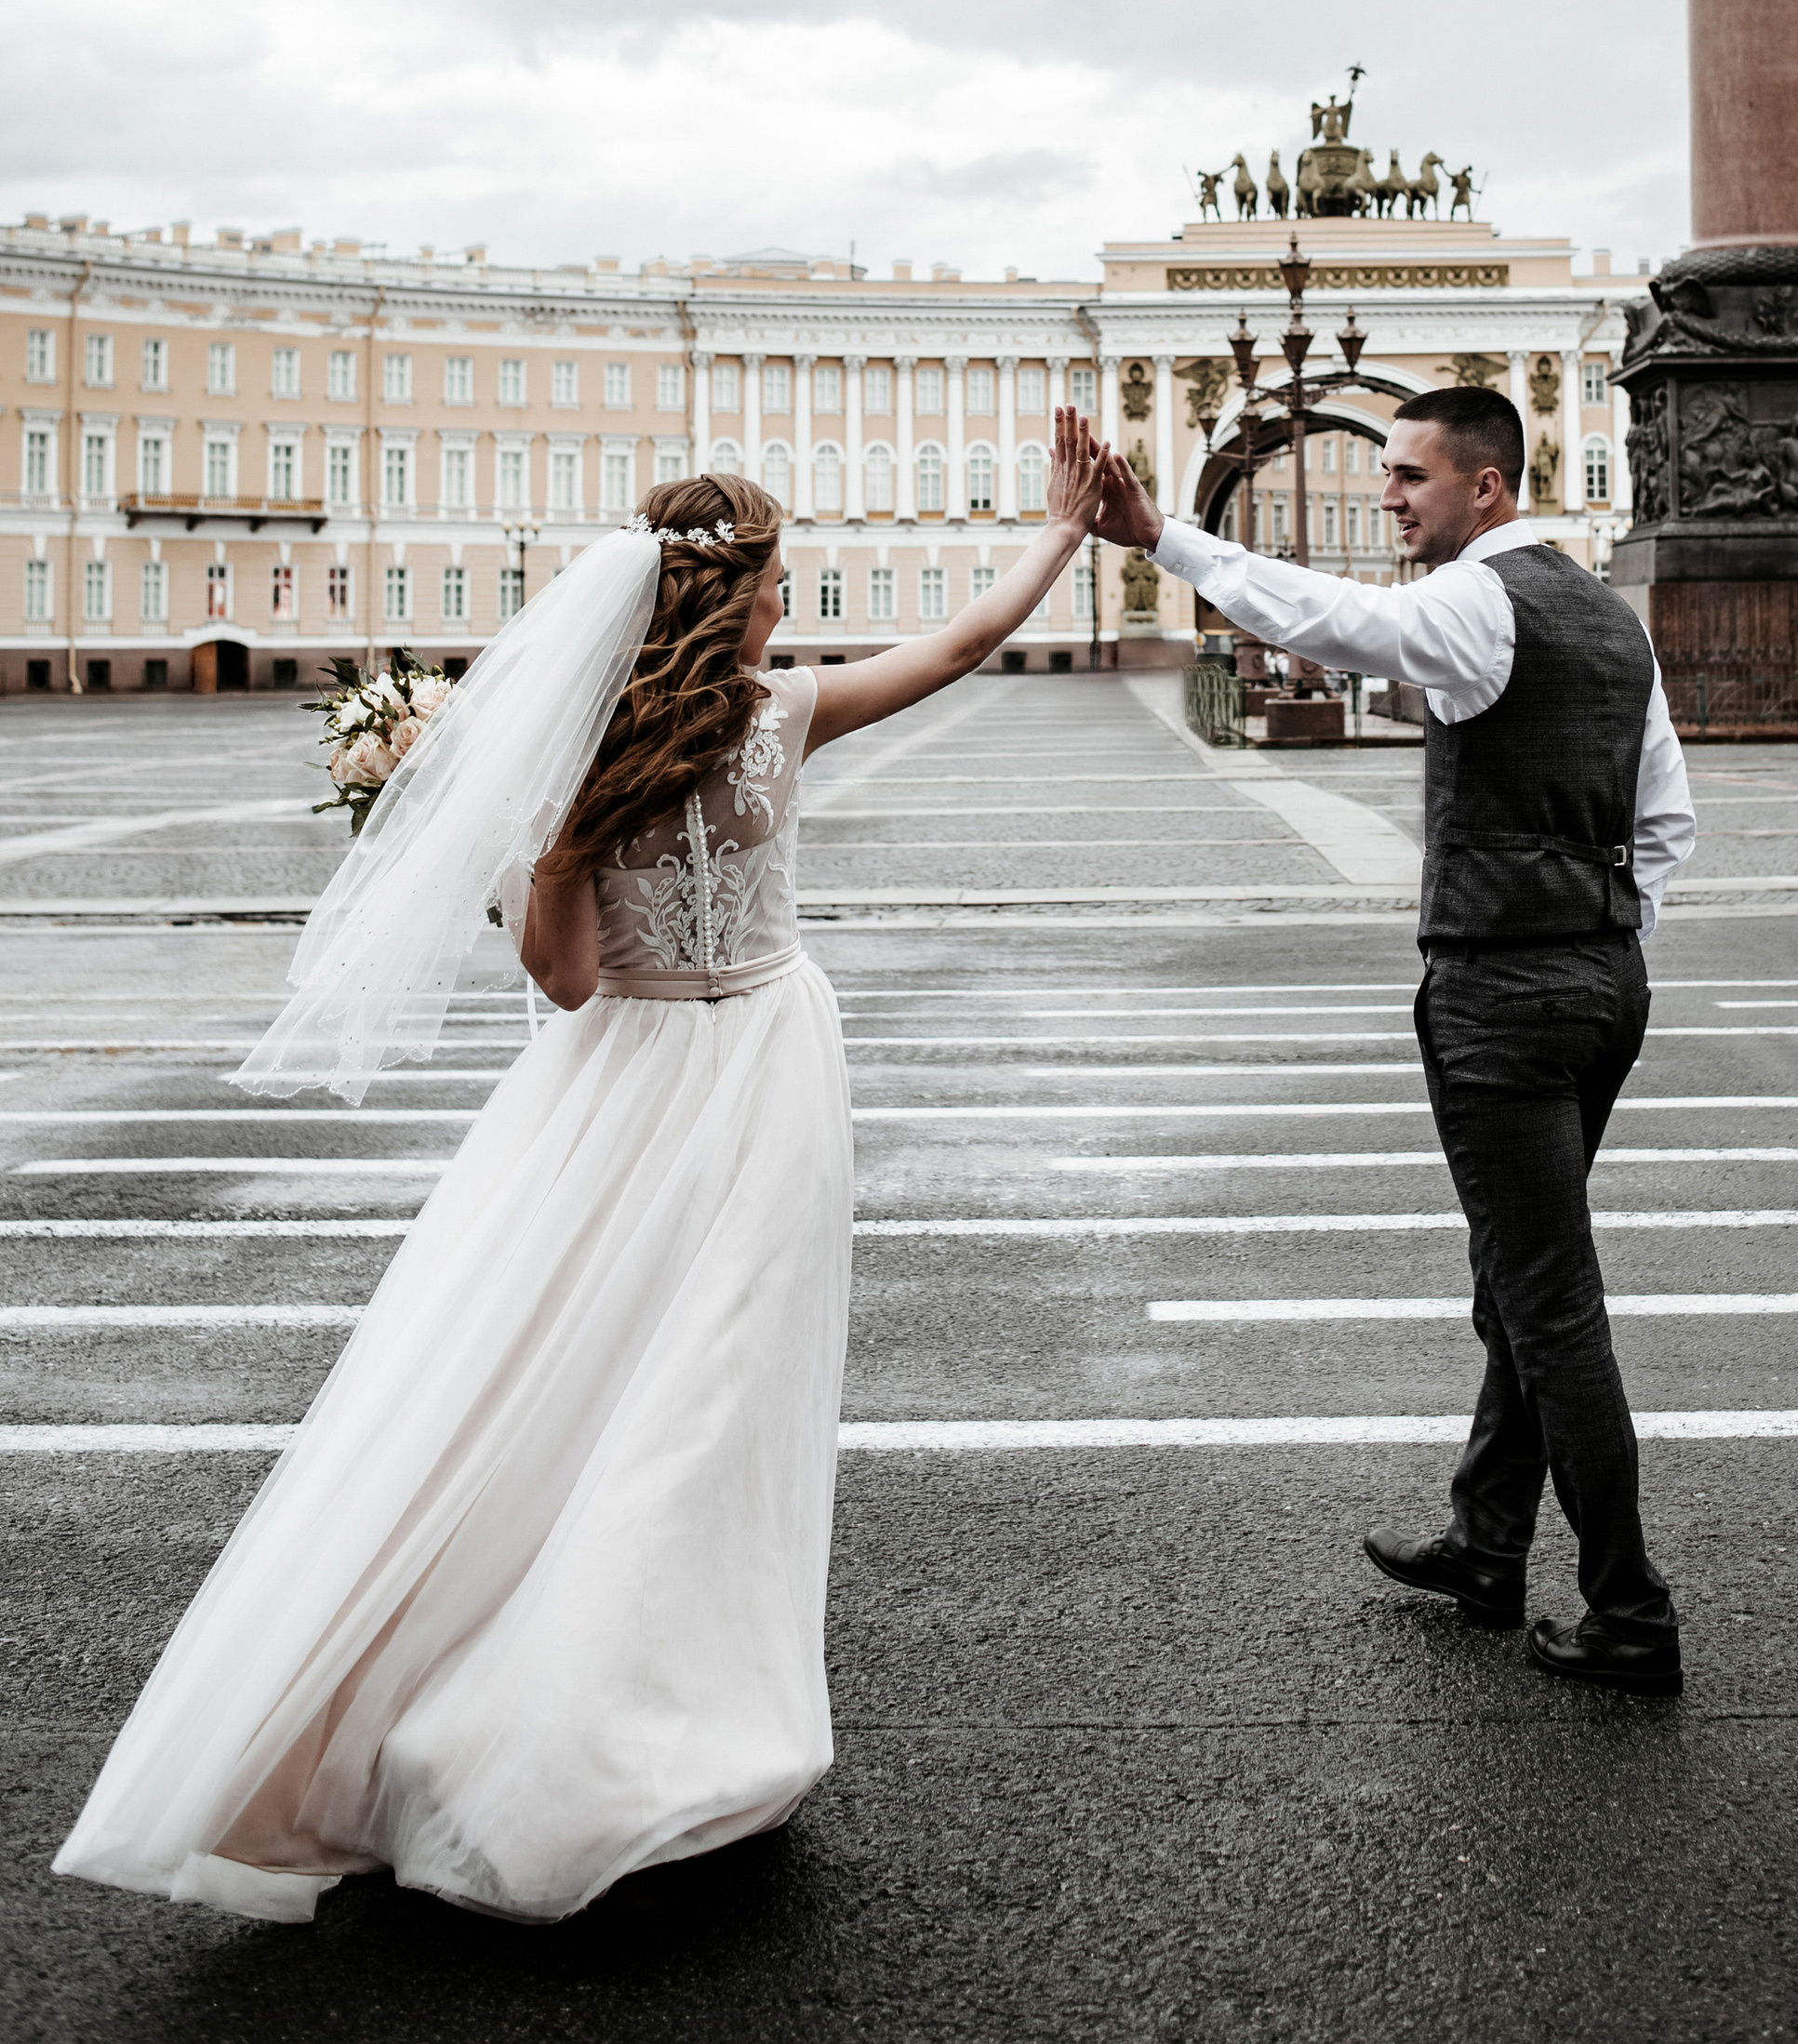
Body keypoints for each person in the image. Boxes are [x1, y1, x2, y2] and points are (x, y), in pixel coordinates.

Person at [56, 416, 1107, 1923]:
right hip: (762, 1064)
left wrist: (544, 842)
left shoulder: (589, 754)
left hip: (616, 1084)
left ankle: (568, 1715)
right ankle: (622, 1742)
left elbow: (561, 983)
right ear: (728, 596)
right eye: (777, 577)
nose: (790, 598)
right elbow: (959, 644)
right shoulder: (779, 715)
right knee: (710, 1401)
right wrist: (1064, 532)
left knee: (560, 1389)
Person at [1094, 387, 1694, 1692]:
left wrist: (1165, 541)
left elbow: (1338, 621)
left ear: (1486, 486)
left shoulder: (1482, 602)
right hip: (1606, 978)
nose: (1390, 495)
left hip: (1503, 992)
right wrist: (1595, 923)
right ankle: (1488, 1544)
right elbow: (1666, 824)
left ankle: (1630, 1607)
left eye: (1412, 475)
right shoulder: (1609, 616)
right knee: (1520, 1281)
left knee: (1548, 1300)